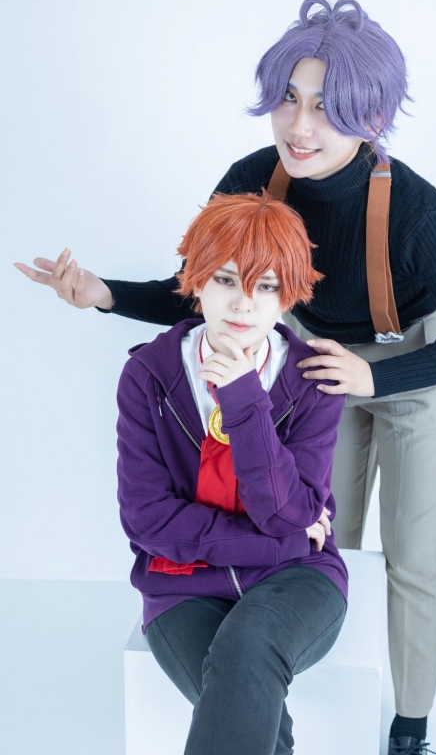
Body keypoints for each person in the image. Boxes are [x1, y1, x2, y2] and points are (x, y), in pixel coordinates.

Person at [14, 0, 436, 754]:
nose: (300, 126)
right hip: (312, 359)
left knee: (414, 549)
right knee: (321, 532)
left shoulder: (415, 210)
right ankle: (281, 695)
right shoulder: (255, 178)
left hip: (410, 357)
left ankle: (410, 727)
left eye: (327, 107)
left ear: (373, 116)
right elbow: (203, 288)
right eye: (289, 98)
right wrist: (104, 294)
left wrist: (376, 379)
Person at [116, 189, 348, 755]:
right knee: (262, 724)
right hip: (182, 582)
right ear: (196, 280)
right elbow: (149, 521)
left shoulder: (314, 379)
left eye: (266, 286)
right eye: (225, 279)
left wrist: (244, 398)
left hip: (299, 576)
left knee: (251, 645)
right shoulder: (149, 375)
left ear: (288, 295)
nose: (244, 304)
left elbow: (289, 511)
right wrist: (282, 543)